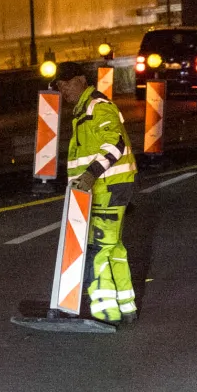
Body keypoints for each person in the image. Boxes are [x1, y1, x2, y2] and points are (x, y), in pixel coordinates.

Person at [53, 60, 138, 324]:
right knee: (112, 248)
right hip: (107, 187)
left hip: (108, 186)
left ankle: (104, 312)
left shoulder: (97, 107)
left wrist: (89, 175)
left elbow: (115, 144)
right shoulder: (84, 111)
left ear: (80, 80)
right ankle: (126, 306)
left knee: (97, 249)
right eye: (59, 86)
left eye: (65, 84)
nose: (62, 90)